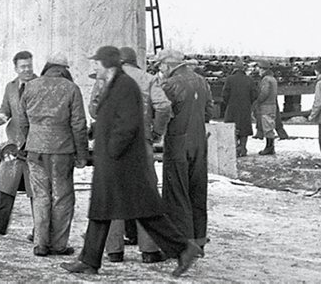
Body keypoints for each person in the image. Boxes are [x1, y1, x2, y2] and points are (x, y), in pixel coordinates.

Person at [62, 46, 201, 277]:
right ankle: (89, 260)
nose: (94, 66)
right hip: (115, 160)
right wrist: (97, 130)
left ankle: (184, 248)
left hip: (122, 163)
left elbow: (127, 125)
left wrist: (112, 151)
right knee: (105, 211)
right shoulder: (115, 83)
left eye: (97, 62)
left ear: (108, 63)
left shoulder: (125, 85)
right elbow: (113, 116)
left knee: (141, 211)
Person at [104, 46, 170, 266]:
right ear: (134, 62)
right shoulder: (149, 79)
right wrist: (156, 132)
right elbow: (163, 106)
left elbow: (95, 107)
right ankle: (149, 251)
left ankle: (114, 250)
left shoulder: (107, 77)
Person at [18, 54, 88, 257]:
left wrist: (24, 143)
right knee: (62, 197)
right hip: (62, 151)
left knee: (40, 196)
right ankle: (58, 245)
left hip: (35, 150)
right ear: (65, 69)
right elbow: (79, 124)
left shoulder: (30, 86)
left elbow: (23, 121)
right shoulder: (71, 89)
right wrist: (81, 154)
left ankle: (40, 244)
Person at [158, 49, 212, 255]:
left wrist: (156, 131)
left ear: (169, 65)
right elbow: (208, 111)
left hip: (178, 142)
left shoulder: (169, 85)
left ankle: (182, 245)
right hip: (199, 141)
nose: (160, 69)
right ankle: (199, 241)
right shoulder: (201, 81)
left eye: (161, 65)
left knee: (176, 193)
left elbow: (162, 111)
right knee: (197, 191)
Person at [0, 50, 36, 237]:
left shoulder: (39, 85)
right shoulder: (10, 87)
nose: (27, 69)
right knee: (3, 186)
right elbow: (5, 108)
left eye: (29, 65)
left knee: (37, 191)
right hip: (14, 146)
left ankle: (41, 231)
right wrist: (0, 116)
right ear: (15, 68)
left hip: (34, 146)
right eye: (23, 66)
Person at [221, 63, 258, 158]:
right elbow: (254, 94)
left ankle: (234, 148)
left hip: (232, 108)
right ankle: (243, 148)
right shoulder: (249, 80)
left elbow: (225, 94)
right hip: (245, 108)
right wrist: (248, 102)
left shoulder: (229, 79)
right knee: (244, 129)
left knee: (232, 128)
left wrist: (228, 103)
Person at [253, 62, 279, 156]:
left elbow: (265, 92)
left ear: (263, 69)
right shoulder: (273, 79)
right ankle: (270, 147)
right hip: (272, 105)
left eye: (259, 69)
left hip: (266, 106)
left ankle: (269, 147)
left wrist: (258, 101)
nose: (258, 71)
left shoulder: (266, 79)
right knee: (270, 125)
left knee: (267, 127)